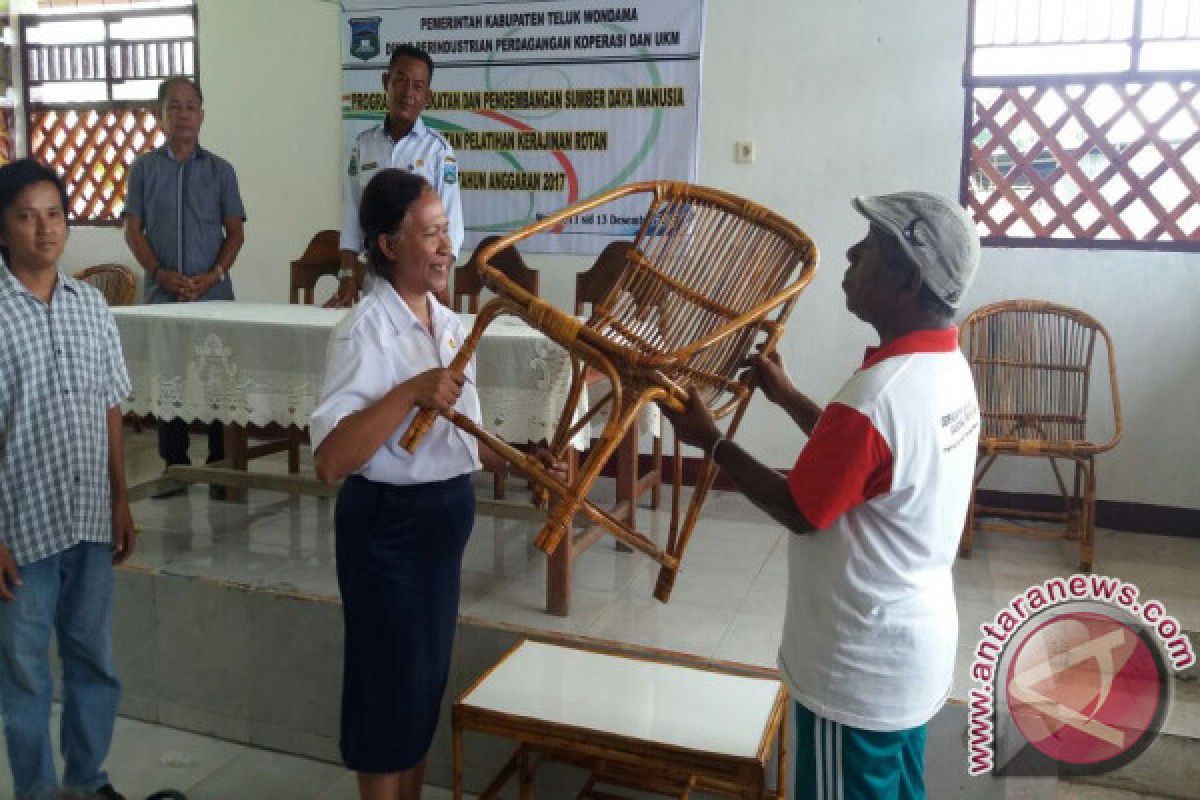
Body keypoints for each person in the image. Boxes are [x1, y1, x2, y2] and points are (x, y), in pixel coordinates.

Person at [665, 191, 981, 800]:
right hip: (910, 653)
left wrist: (711, 442)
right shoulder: (944, 369)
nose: (850, 254)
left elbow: (801, 508)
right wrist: (787, 398)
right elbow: (865, 466)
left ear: (908, 279)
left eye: (871, 250)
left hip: (857, 672)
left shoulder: (879, 396)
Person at [311, 169, 559, 800]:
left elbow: (467, 442)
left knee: (422, 687)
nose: (448, 247)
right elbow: (332, 459)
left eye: (448, 231)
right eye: (431, 234)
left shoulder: (451, 326)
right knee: (383, 690)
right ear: (391, 246)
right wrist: (408, 393)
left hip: (439, 533)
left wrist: (525, 460)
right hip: (385, 532)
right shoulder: (363, 333)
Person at [0, 158, 135, 800]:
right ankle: (36, 791)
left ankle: (88, 781)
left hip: (87, 521)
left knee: (94, 662)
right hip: (18, 532)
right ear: (4, 229)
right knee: (26, 677)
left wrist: (120, 497)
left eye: (53, 214)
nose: (44, 229)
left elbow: (110, 403)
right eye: (26, 217)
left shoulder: (90, 307)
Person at [122, 76, 246, 478]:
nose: (183, 114)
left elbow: (236, 231)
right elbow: (133, 230)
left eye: (191, 106)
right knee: (168, 378)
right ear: (160, 116)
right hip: (162, 292)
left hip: (213, 294)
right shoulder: (142, 170)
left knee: (215, 378)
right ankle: (173, 463)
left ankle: (217, 462)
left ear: (202, 115)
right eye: (173, 106)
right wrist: (159, 273)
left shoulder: (221, 171)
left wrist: (213, 275)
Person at [327, 44, 464, 308]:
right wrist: (347, 274)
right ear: (385, 82)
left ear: (427, 96)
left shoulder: (438, 150)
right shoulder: (364, 146)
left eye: (418, 86)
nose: (408, 93)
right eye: (400, 80)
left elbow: (451, 218)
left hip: (420, 278)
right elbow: (351, 212)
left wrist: (441, 275)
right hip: (374, 278)